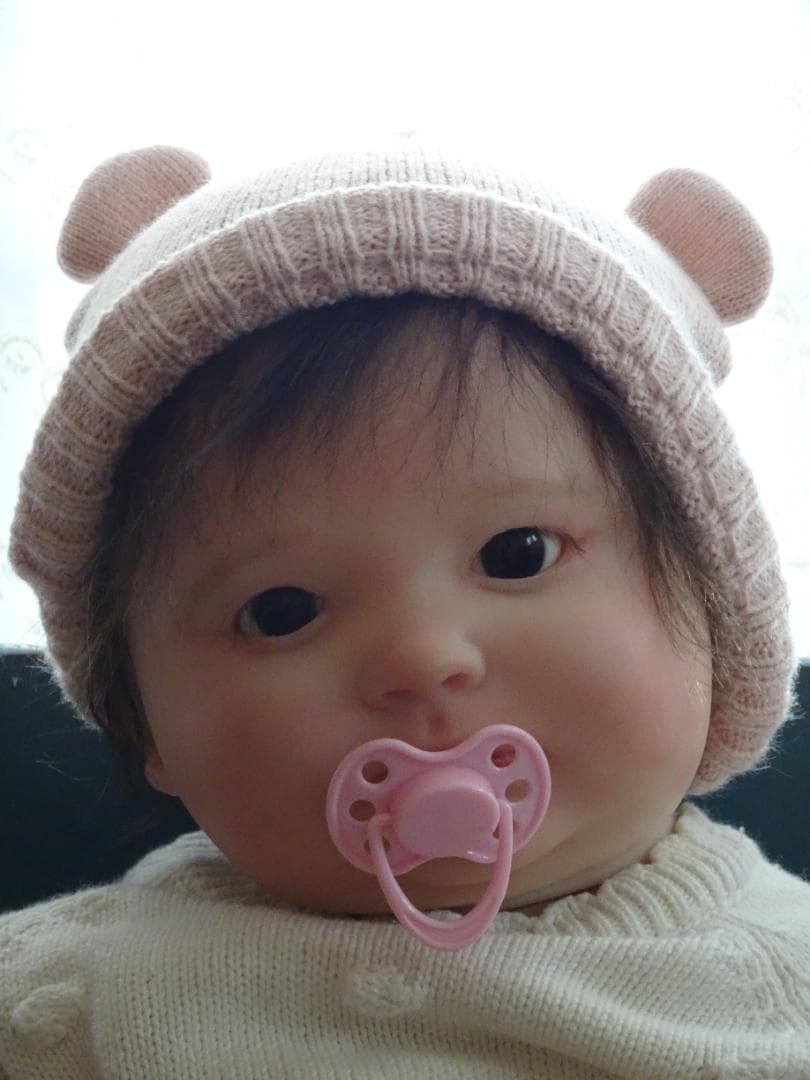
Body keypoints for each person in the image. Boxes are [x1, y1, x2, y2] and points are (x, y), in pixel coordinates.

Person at [1, 142, 808, 1078]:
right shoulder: (64, 997)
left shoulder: (785, 979)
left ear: (716, 610)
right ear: (147, 724)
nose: (420, 657)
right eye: (281, 610)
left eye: (518, 553)